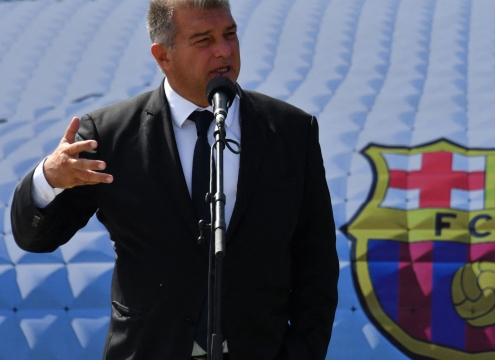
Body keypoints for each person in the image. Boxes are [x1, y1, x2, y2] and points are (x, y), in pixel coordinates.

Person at [10, 0, 339, 359]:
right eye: (204, 40)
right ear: (162, 56)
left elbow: (316, 264)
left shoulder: (291, 131)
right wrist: (48, 179)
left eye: (230, 34)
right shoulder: (110, 136)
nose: (224, 50)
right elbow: (36, 237)